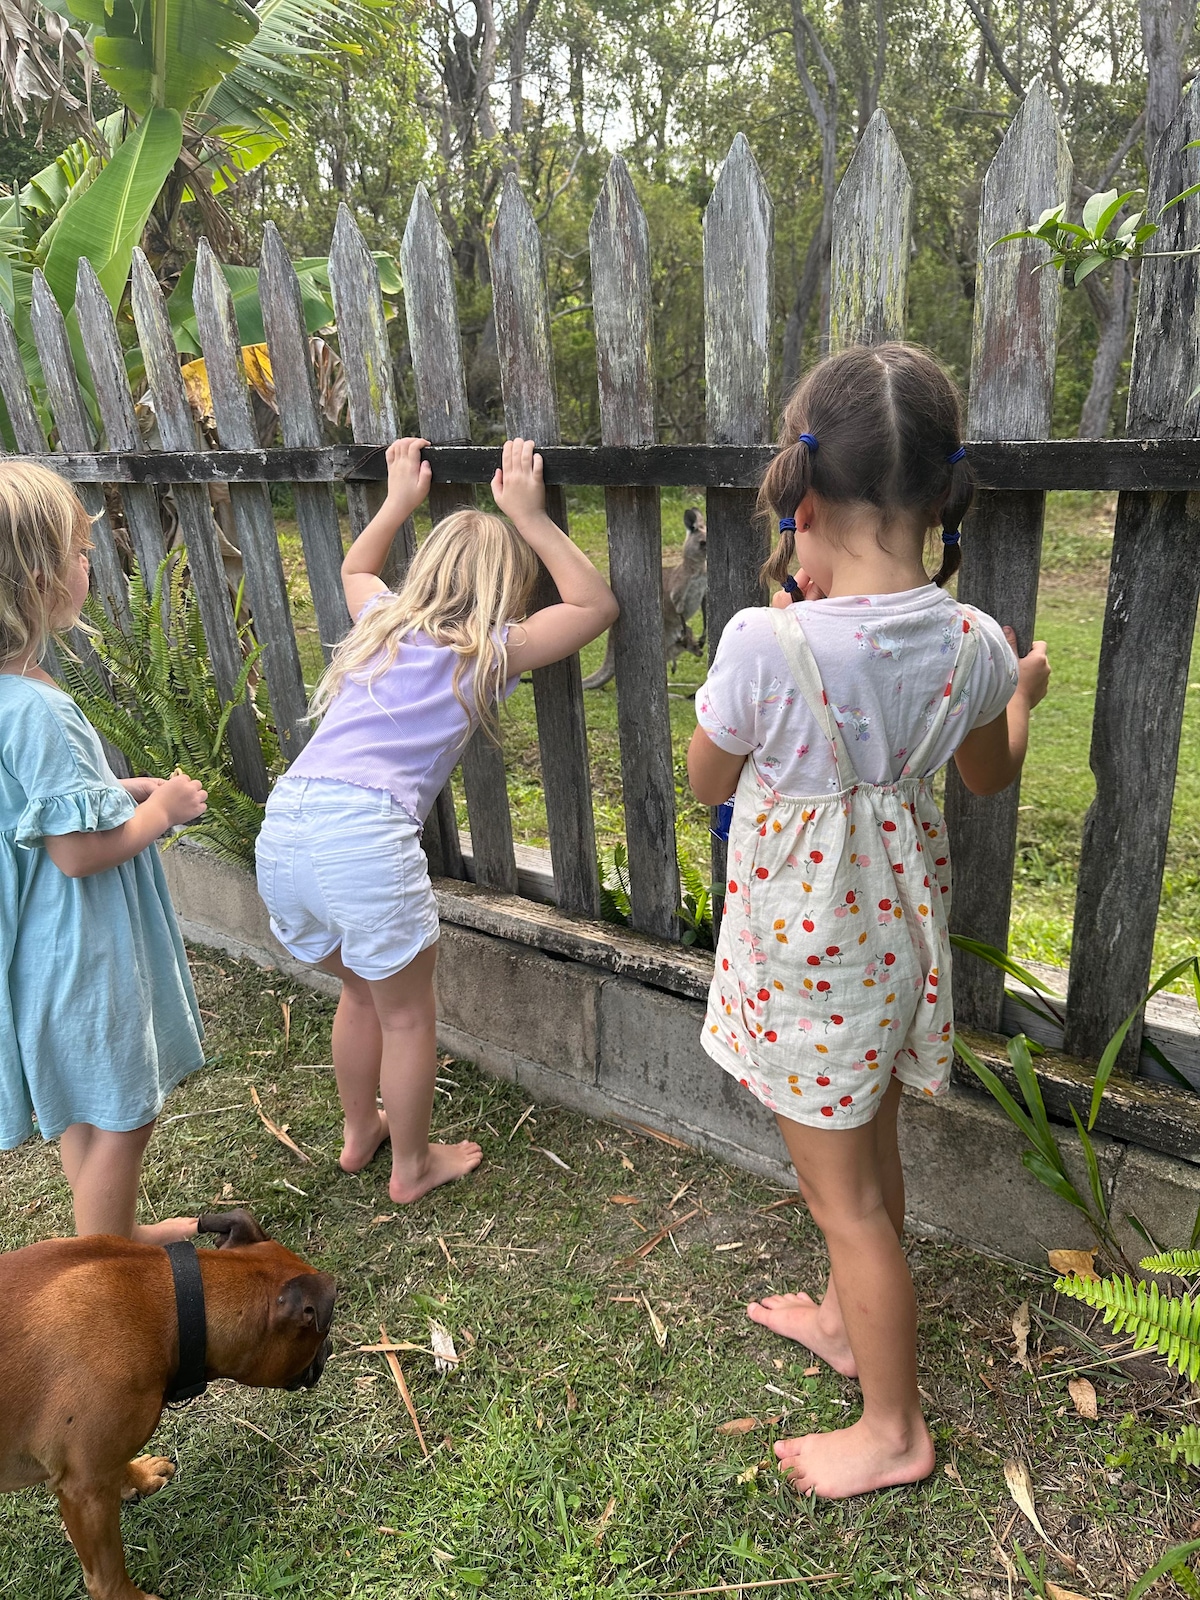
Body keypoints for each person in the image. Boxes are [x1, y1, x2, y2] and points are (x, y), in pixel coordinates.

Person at [688, 343, 1050, 1499]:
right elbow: (990, 778)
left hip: (806, 966)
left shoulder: (766, 643)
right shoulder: (977, 643)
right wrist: (1024, 695)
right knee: (872, 1155)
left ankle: (893, 1428)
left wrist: (781, 623)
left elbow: (708, 777)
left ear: (800, 497)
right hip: (894, 953)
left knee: (843, 1202)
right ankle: (850, 1325)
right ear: (940, 497)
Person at [256, 437, 618, 1204]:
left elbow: (356, 569)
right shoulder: (486, 649)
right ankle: (413, 1166)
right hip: (363, 838)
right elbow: (595, 606)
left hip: (288, 822)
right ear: (505, 589)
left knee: (359, 995)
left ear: (426, 573)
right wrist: (531, 515)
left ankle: (363, 1132)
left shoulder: (378, 621)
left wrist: (396, 502)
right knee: (409, 1018)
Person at [0, 462, 208, 1241]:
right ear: (38, 578)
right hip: (82, 947)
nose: (90, 562)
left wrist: (118, 789)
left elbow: (34, 806)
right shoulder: (40, 708)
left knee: (86, 1110)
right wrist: (163, 809)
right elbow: (77, 854)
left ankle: (106, 1242)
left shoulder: (9, 692)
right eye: (78, 550)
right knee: (125, 1115)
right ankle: (104, 1276)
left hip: (39, 952)